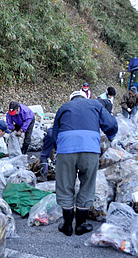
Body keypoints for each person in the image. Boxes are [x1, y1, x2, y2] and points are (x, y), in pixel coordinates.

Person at [53, 91, 118, 236]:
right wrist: (111, 135)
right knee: (87, 184)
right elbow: (111, 123)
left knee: (65, 185)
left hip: (66, 150)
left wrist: (59, 150)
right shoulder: (95, 104)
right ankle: (81, 225)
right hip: (90, 149)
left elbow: (54, 133)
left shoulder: (64, 107)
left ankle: (67, 226)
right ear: (85, 97)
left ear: (71, 99)